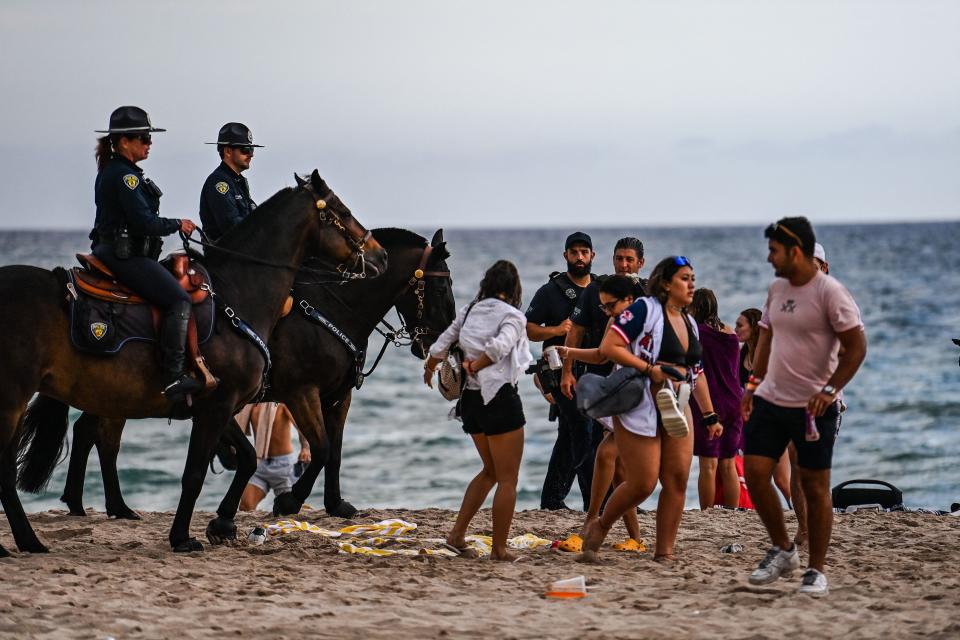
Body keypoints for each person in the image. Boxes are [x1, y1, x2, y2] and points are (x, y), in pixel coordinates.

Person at [741, 217, 866, 596]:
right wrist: (752, 383)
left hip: (814, 406)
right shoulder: (777, 288)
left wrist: (831, 389)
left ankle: (816, 570)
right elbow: (766, 336)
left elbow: (856, 347)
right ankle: (783, 547)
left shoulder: (831, 292)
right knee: (756, 471)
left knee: (814, 486)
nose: (769, 258)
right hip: (772, 397)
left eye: (774, 251)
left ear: (796, 252)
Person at [579, 256, 724, 563]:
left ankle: (664, 553)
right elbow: (610, 348)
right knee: (643, 483)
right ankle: (601, 526)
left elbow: (697, 374)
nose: (691, 284)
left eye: (693, 278)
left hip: (677, 404)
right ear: (666, 283)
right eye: (685, 278)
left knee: (677, 480)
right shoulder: (643, 309)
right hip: (641, 404)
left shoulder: (689, 322)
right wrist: (650, 368)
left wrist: (710, 415)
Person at [424, 260, 533, 561]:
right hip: (499, 399)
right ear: (513, 289)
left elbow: (442, 343)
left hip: (470, 403)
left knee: (491, 472)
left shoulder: (470, 310)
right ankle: (499, 549)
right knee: (508, 479)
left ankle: (457, 535)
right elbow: (500, 347)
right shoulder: (513, 315)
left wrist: (431, 366)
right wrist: (476, 365)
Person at [90, 106, 201, 398]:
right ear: (123, 141)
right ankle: (173, 375)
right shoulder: (125, 177)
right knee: (178, 299)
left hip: (116, 251)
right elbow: (144, 222)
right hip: (123, 256)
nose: (148, 143)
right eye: (143, 138)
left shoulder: (119, 171)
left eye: (149, 138)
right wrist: (178, 223)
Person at [556, 275, 645, 552]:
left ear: (629, 299)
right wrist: (569, 351)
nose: (606, 311)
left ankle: (591, 522)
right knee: (618, 472)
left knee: (606, 455)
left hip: (639, 397)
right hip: (619, 394)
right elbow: (601, 356)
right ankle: (636, 538)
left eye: (610, 305)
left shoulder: (647, 321)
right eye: (603, 306)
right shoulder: (614, 321)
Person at [526, 232, 597, 510]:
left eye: (584, 252)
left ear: (593, 256)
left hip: (595, 371)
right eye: (574, 252)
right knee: (583, 432)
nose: (579, 257)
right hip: (560, 373)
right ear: (565, 255)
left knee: (571, 434)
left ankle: (552, 500)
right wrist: (557, 330)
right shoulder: (550, 291)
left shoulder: (600, 288)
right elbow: (528, 328)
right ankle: (595, 500)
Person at [689, 288, 743, 510]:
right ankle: (732, 513)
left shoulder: (697, 334)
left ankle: (707, 512)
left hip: (710, 403)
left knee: (708, 465)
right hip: (734, 401)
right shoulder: (731, 334)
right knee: (729, 463)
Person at [237, 403, 311, 511]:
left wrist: (305, 447)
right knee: (245, 506)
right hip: (260, 464)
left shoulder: (282, 404)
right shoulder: (251, 405)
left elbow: (301, 427)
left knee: (289, 509)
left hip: (284, 467)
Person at [199, 122, 263, 242]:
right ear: (228, 151)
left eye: (252, 149)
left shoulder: (238, 181)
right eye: (245, 149)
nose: (251, 154)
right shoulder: (218, 182)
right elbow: (232, 227)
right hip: (225, 257)